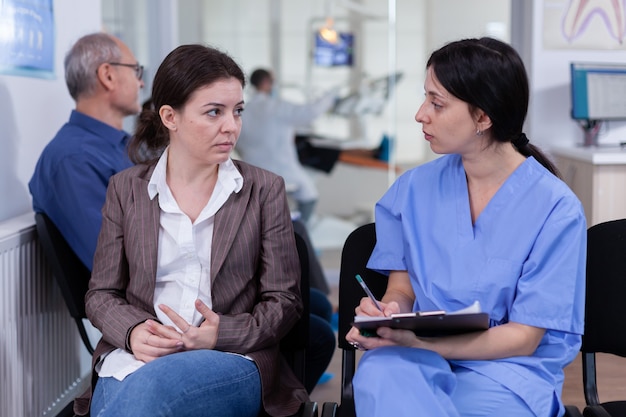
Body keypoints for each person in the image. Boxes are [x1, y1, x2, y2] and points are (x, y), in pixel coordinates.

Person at [346, 37, 586, 417]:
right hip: (414, 356)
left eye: (437, 103)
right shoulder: (413, 189)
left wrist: (422, 344)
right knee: (381, 375)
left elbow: (523, 338)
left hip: (506, 370)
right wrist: (387, 315)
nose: (421, 114)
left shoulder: (555, 209)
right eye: (425, 98)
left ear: (483, 117)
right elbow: (402, 288)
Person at [75, 43, 316, 417]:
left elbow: (285, 302)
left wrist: (222, 333)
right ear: (170, 116)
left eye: (237, 111)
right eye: (213, 112)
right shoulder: (127, 189)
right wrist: (134, 331)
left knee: (148, 395)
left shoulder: (264, 189)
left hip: (230, 357)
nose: (231, 126)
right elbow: (101, 294)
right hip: (134, 357)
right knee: (136, 397)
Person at [29, 32, 144, 270]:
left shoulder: (121, 147)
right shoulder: (74, 160)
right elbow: (116, 264)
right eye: (136, 70)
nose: (141, 82)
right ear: (108, 75)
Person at [236, 68, 386, 225]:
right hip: (281, 170)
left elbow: (238, 142)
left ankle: (288, 231)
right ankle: (300, 234)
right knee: (309, 195)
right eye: (273, 82)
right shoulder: (276, 107)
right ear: (266, 82)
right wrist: (330, 95)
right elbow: (310, 112)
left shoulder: (244, 111)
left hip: (253, 173)